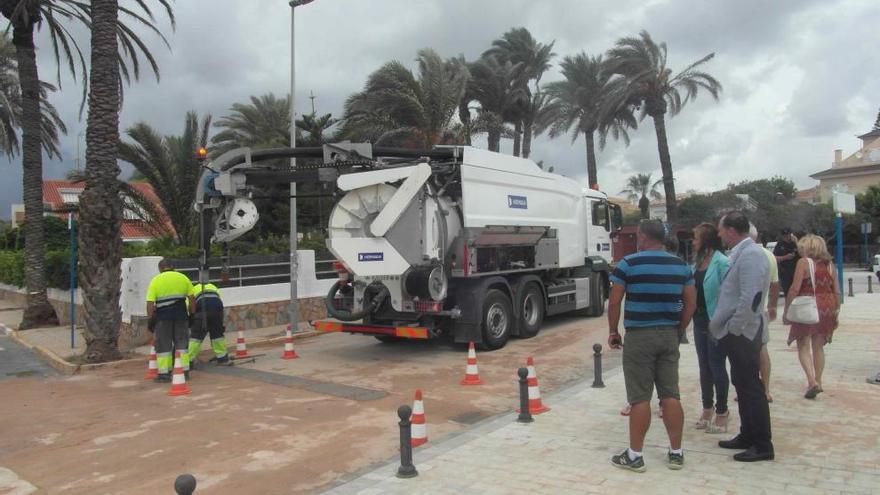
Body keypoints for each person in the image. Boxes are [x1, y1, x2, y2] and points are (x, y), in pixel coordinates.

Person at [608, 219, 696, 472]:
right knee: (670, 394)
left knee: (640, 397)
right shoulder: (681, 266)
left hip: (639, 337)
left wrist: (614, 331)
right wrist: (678, 330)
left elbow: (614, 302)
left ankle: (635, 456)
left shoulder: (629, 263)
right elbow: (691, 303)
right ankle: (676, 453)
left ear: (643, 237)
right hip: (669, 335)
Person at [710, 211, 773, 462]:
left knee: (751, 387)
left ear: (732, 231)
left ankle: (762, 444)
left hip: (743, 332)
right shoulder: (743, 253)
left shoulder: (752, 255)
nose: (719, 234)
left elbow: (751, 298)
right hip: (739, 331)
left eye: (721, 229)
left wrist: (734, 328)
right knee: (743, 385)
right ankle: (748, 434)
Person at [783, 234, 840, 399]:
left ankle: (811, 381)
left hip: (808, 306)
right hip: (827, 306)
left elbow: (795, 288)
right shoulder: (830, 265)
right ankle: (819, 381)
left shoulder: (804, 263)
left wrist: (787, 310)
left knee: (803, 345)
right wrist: (836, 311)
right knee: (818, 347)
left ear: (807, 248)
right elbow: (836, 290)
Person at [690, 223, 730, 434]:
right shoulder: (696, 263)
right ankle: (707, 408)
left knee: (716, 366)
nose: (693, 241)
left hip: (716, 322)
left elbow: (728, 294)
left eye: (696, 237)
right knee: (704, 367)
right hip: (698, 320)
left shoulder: (722, 262)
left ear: (705, 240)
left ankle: (722, 411)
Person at [145, 259, 195, 382]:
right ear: (172, 266)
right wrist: (192, 315)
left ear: (160, 268)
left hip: (163, 318)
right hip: (181, 316)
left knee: (163, 345)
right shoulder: (183, 278)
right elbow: (192, 299)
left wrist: (150, 319)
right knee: (182, 344)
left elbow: (150, 303)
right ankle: (184, 372)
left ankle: (164, 374)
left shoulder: (156, 280)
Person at [751, 225, 779, 404]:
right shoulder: (770, 256)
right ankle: (766, 389)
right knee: (762, 349)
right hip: (762, 310)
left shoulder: (742, 256)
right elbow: (775, 284)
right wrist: (773, 306)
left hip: (750, 312)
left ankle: (751, 387)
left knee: (747, 353)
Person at [188, 282, 229, 366]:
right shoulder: (212, 286)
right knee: (217, 335)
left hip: (202, 309)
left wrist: (191, 319)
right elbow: (218, 300)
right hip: (217, 309)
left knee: (196, 337)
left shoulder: (192, 289)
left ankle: (188, 360)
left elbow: (190, 306)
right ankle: (222, 358)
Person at [773, 229, 799, 295]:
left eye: (788, 235)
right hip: (785, 272)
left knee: (797, 291)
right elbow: (774, 258)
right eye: (785, 236)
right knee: (787, 292)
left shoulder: (795, 244)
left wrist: (797, 243)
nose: (787, 237)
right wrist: (785, 257)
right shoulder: (779, 245)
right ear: (782, 236)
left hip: (796, 271)